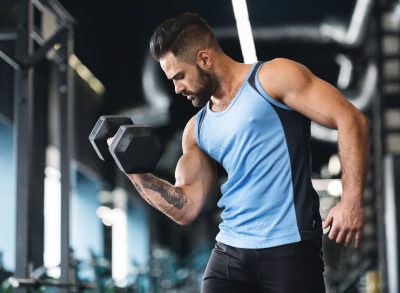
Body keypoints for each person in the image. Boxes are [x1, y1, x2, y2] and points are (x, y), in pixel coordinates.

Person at [111, 12, 369, 292]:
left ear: (204, 59)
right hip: (230, 253)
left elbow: (351, 119)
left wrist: (352, 200)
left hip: (289, 249)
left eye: (180, 76)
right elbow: (185, 207)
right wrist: (134, 171)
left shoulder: (272, 78)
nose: (177, 89)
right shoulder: (196, 130)